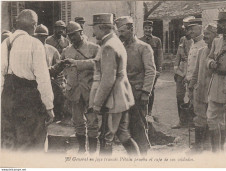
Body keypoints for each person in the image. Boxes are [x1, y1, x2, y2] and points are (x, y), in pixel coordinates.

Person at [1, 9, 54, 151]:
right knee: (32, 143)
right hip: (27, 100)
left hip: (7, 99)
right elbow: (43, 79)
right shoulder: (35, 44)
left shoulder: (5, 43)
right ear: (34, 25)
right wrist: (49, 107)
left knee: (9, 141)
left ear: (17, 24)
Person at [91, 13, 139, 156]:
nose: (93, 33)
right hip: (122, 97)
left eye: (94, 28)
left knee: (106, 137)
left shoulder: (108, 46)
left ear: (101, 27)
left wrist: (97, 103)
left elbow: (107, 79)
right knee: (123, 134)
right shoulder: (115, 41)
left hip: (112, 100)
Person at [115, 16, 156, 155]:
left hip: (138, 94)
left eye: (122, 31)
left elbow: (151, 71)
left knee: (139, 126)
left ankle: (144, 154)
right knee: (127, 127)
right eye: (118, 32)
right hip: (123, 93)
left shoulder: (144, 47)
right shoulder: (120, 48)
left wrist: (146, 93)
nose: (120, 35)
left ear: (131, 29)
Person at [61, 21, 100, 153]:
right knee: (77, 121)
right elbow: (62, 69)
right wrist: (66, 85)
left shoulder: (94, 48)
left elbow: (98, 65)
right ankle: (82, 149)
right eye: (69, 35)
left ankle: (93, 151)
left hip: (90, 90)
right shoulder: (66, 51)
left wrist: (77, 63)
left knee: (93, 122)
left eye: (74, 34)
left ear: (81, 32)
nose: (72, 38)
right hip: (74, 91)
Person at [207, 11, 226, 152]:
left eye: (223, 22)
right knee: (212, 119)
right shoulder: (216, 41)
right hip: (216, 84)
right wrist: (211, 63)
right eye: (219, 22)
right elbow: (208, 58)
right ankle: (216, 153)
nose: (219, 25)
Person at [188, 24, 218, 152]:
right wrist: (190, 88)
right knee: (199, 118)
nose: (205, 37)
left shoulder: (219, 53)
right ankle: (198, 145)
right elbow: (195, 72)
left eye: (208, 34)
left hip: (214, 93)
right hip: (200, 91)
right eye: (204, 34)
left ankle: (211, 146)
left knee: (213, 120)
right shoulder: (201, 51)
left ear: (216, 37)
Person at [34, 24, 68, 121]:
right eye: (38, 37)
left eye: (43, 37)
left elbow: (59, 69)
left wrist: (60, 83)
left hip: (50, 81)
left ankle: (57, 115)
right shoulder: (30, 50)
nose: (41, 39)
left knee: (58, 93)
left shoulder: (52, 50)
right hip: (34, 82)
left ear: (46, 37)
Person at [172, 16, 195, 129]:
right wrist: (176, 70)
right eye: (184, 28)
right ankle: (182, 121)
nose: (185, 31)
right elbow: (178, 55)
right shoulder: (182, 39)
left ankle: (192, 121)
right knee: (179, 96)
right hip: (181, 70)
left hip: (192, 70)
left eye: (187, 28)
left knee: (193, 96)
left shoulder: (197, 41)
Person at [139, 20, 163, 116]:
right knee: (142, 89)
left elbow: (160, 55)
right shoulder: (140, 40)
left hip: (153, 69)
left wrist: (159, 68)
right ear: (143, 29)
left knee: (151, 90)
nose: (148, 30)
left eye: (149, 28)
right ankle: (143, 110)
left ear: (152, 29)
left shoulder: (157, 40)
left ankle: (149, 110)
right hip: (142, 69)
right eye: (146, 28)